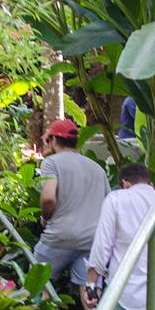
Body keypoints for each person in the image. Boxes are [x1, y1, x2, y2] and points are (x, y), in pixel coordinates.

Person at [86, 163, 155, 310]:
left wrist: (90, 284)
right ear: (151, 184)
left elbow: (101, 248)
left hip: (124, 296)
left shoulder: (116, 199)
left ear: (125, 183)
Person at [35, 119, 108, 298]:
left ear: (52, 140)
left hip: (59, 236)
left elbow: (48, 197)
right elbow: (108, 204)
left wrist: (46, 217)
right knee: (88, 287)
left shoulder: (51, 163)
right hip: (91, 239)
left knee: (38, 283)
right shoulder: (97, 169)